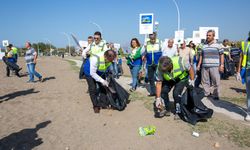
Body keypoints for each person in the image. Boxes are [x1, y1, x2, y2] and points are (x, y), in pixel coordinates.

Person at [197, 30, 224, 100]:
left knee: (216, 81)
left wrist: (222, 65)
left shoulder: (218, 45)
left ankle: (216, 95)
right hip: (204, 66)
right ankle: (207, 93)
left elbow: (222, 56)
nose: (208, 36)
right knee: (205, 81)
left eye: (209, 35)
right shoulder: (203, 45)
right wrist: (199, 65)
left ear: (213, 36)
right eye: (207, 35)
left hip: (215, 66)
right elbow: (201, 56)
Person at [236, 32, 250, 121]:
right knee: (249, 93)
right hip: (249, 71)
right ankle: (249, 113)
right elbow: (241, 58)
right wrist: (238, 71)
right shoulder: (246, 44)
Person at [144, 32, 162, 96]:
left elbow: (163, 52)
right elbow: (143, 52)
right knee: (150, 78)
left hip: (158, 63)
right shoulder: (147, 43)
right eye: (151, 38)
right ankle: (153, 92)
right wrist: (144, 47)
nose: (152, 40)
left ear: (155, 37)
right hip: (149, 63)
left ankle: (159, 92)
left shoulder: (159, 42)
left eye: (153, 38)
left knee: (158, 78)